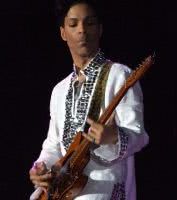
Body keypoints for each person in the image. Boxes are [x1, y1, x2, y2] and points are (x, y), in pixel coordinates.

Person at [29, 0, 149, 199]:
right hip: (64, 190)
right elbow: (53, 145)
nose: (82, 30)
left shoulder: (120, 75)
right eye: (73, 24)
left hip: (105, 189)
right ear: (63, 33)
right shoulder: (59, 90)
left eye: (90, 23)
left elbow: (139, 135)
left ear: (100, 29)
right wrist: (40, 168)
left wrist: (113, 137)